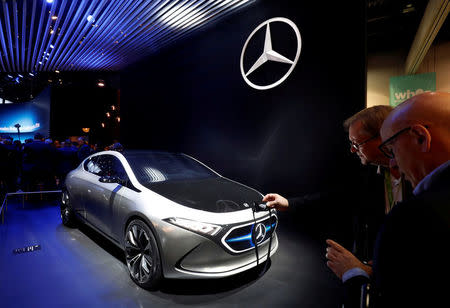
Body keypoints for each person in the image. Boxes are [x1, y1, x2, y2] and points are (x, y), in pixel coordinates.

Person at [263, 105, 411, 307]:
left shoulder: (419, 181)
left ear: (383, 137)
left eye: (356, 143)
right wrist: (288, 203)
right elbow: (334, 199)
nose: (352, 150)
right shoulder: (370, 175)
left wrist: (367, 271)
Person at [369, 91, 450, 307]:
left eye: (392, 150)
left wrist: (357, 275)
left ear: (420, 138)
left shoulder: (413, 219)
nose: (393, 164)